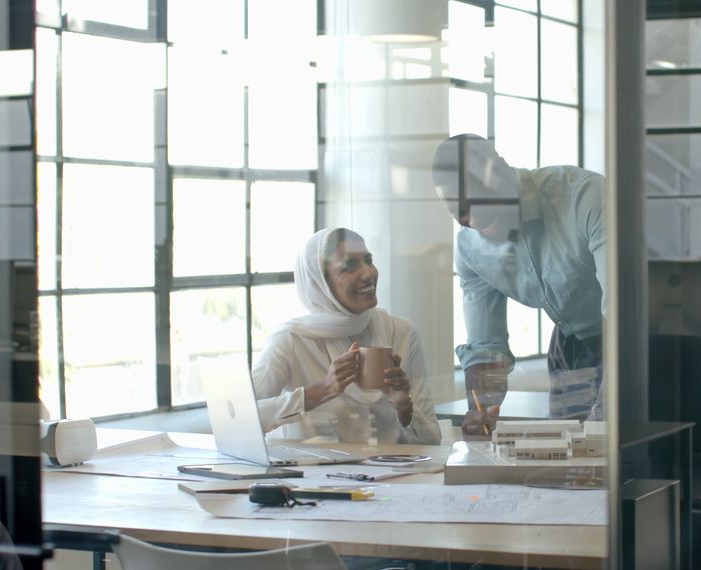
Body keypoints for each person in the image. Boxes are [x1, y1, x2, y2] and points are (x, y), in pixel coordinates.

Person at [431, 134, 607, 433]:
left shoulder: (585, 197)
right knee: (569, 462)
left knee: (623, 453)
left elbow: (624, 313)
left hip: (632, 334)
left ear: (502, 172)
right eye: (457, 211)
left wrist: (604, 412)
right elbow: (487, 349)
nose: (470, 219)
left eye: (477, 200)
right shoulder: (469, 249)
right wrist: (481, 409)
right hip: (570, 344)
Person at [251, 227, 440, 445]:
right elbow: (242, 420)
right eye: (349, 267)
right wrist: (319, 392)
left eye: (369, 261)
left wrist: (404, 409)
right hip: (309, 476)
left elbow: (433, 441)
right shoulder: (291, 339)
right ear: (319, 283)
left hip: (392, 477)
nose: (369, 273)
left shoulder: (402, 332)